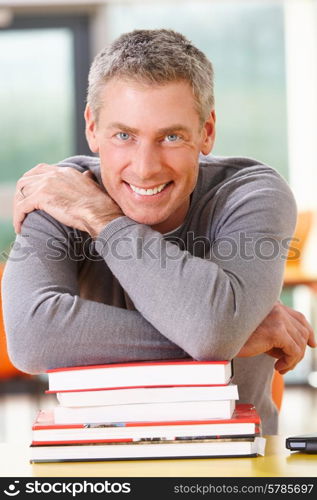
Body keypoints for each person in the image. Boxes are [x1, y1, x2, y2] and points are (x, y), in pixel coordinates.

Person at [1, 29, 315, 434]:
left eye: (171, 136)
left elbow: (213, 331)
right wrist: (234, 336)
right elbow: (31, 338)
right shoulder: (61, 195)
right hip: (98, 460)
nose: (146, 167)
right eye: (124, 136)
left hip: (235, 461)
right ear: (93, 129)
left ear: (206, 131)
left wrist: (103, 219)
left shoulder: (253, 194)